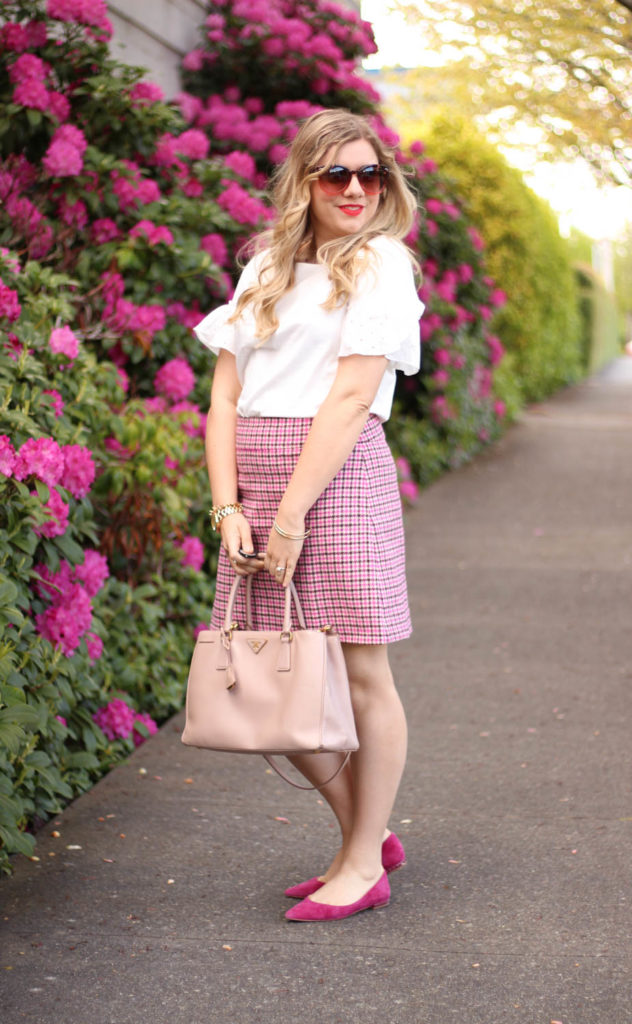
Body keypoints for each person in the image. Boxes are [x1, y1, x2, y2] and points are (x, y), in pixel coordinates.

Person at [194, 108, 424, 922]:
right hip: (253, 488)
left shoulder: (382, 265)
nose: (356, 189)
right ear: (304, 182)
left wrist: (290, 514)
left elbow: (354, 393)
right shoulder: (263, 269)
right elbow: (223, 397)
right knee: (271, 677)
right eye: (337, 175)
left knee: (359, 674)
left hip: (334, 477)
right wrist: (227, 504)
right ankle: (366, 833)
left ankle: (363, 862)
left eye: (371, 174)